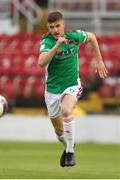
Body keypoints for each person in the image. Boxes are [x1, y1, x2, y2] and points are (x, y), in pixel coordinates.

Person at [38, 12, 108, 167]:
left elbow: (91, 37)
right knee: (58, 131)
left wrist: (99, 60)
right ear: (48, 28)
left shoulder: (74, 36)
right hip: (52, 90)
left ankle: (70, 152)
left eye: (57, 26)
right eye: (51, 27)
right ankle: (68, 144)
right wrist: (56, 46)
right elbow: (41, 62)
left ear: (63, 25)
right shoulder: (47, 42)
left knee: (66, 111)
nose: (55, 30)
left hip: (72, 85)